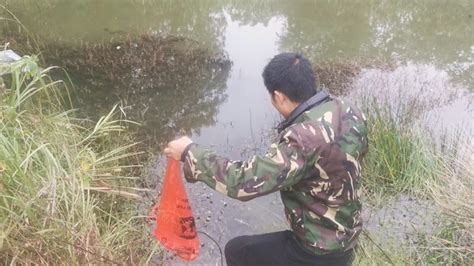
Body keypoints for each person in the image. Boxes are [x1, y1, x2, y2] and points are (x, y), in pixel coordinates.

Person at [164, 52, 368, 266]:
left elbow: (242, 182)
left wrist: (189, 152)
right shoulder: (349, 111)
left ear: (278, 96)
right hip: (348, 237)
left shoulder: (302, 139)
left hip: (317, 252)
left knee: (237, 251)